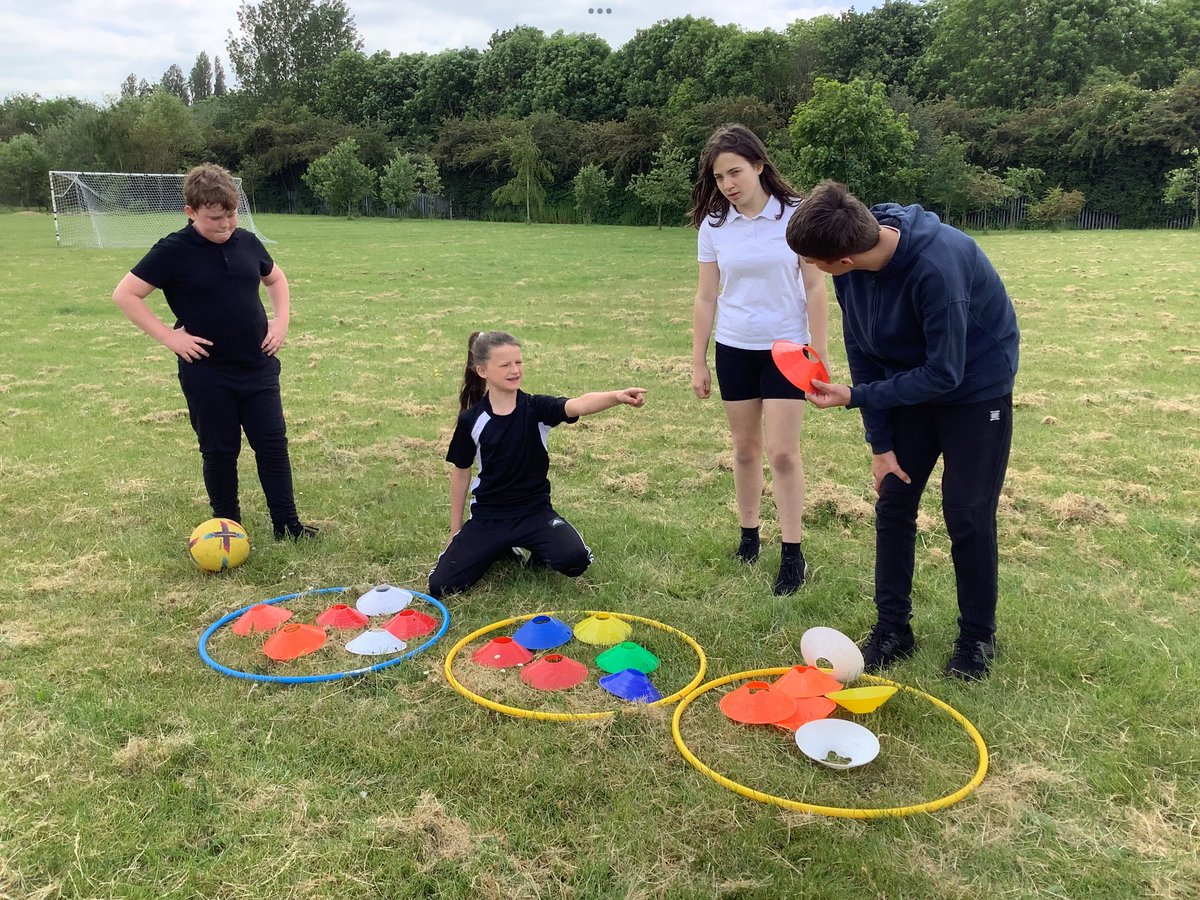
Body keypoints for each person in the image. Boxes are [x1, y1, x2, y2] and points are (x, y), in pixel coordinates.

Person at [785, 181, 1020, 680]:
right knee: (894, 500)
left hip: (975, 390)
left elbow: (945, 373)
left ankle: (976, 638)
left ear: (841, 259)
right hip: (904, 386)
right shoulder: (852, 270)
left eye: (814, 263)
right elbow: (863, 350)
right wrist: (881, 444)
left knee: (968, 514)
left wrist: (854, 397)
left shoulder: (938, 265)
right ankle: (893, 630)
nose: (814, 271)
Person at [112, 163, 317, 541]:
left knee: (272, 446)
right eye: (214, 219)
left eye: (231, 216)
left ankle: (287, 525)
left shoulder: (247, 242)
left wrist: (281, 320)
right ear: (190, 212)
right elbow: (125, 294)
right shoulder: (173, 250)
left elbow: (275, 278)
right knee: (220, 452)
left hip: (258, 367)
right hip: (207, 374)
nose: (225, 225)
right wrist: (169, 337)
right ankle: (227, 529)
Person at [689, 123, 829, 596]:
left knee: (784, 453)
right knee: (745, 449)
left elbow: (814, 288)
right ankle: (749, 537)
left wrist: (820, 356)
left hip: (787, 350)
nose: (728, 184)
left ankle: (792, 552)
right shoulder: (714, 226)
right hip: (734, 347)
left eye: (735, 172)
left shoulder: (796, 216)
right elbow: (707, 297)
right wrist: (698, 360)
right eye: (720, 177)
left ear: (759, 165)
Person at [428, 331, 646, 600]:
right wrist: (455, 531)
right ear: (482, 370)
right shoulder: (472, 420)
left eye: (518, 362)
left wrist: (617, 396)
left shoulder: (536, 408)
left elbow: (578, 404)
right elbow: (461, 473)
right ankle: (500, 549)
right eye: (505, 365)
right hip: (489, 517)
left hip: (534, 513)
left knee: (576, 560)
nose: (514, 370)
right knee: (441, 587)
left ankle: (537, 550)